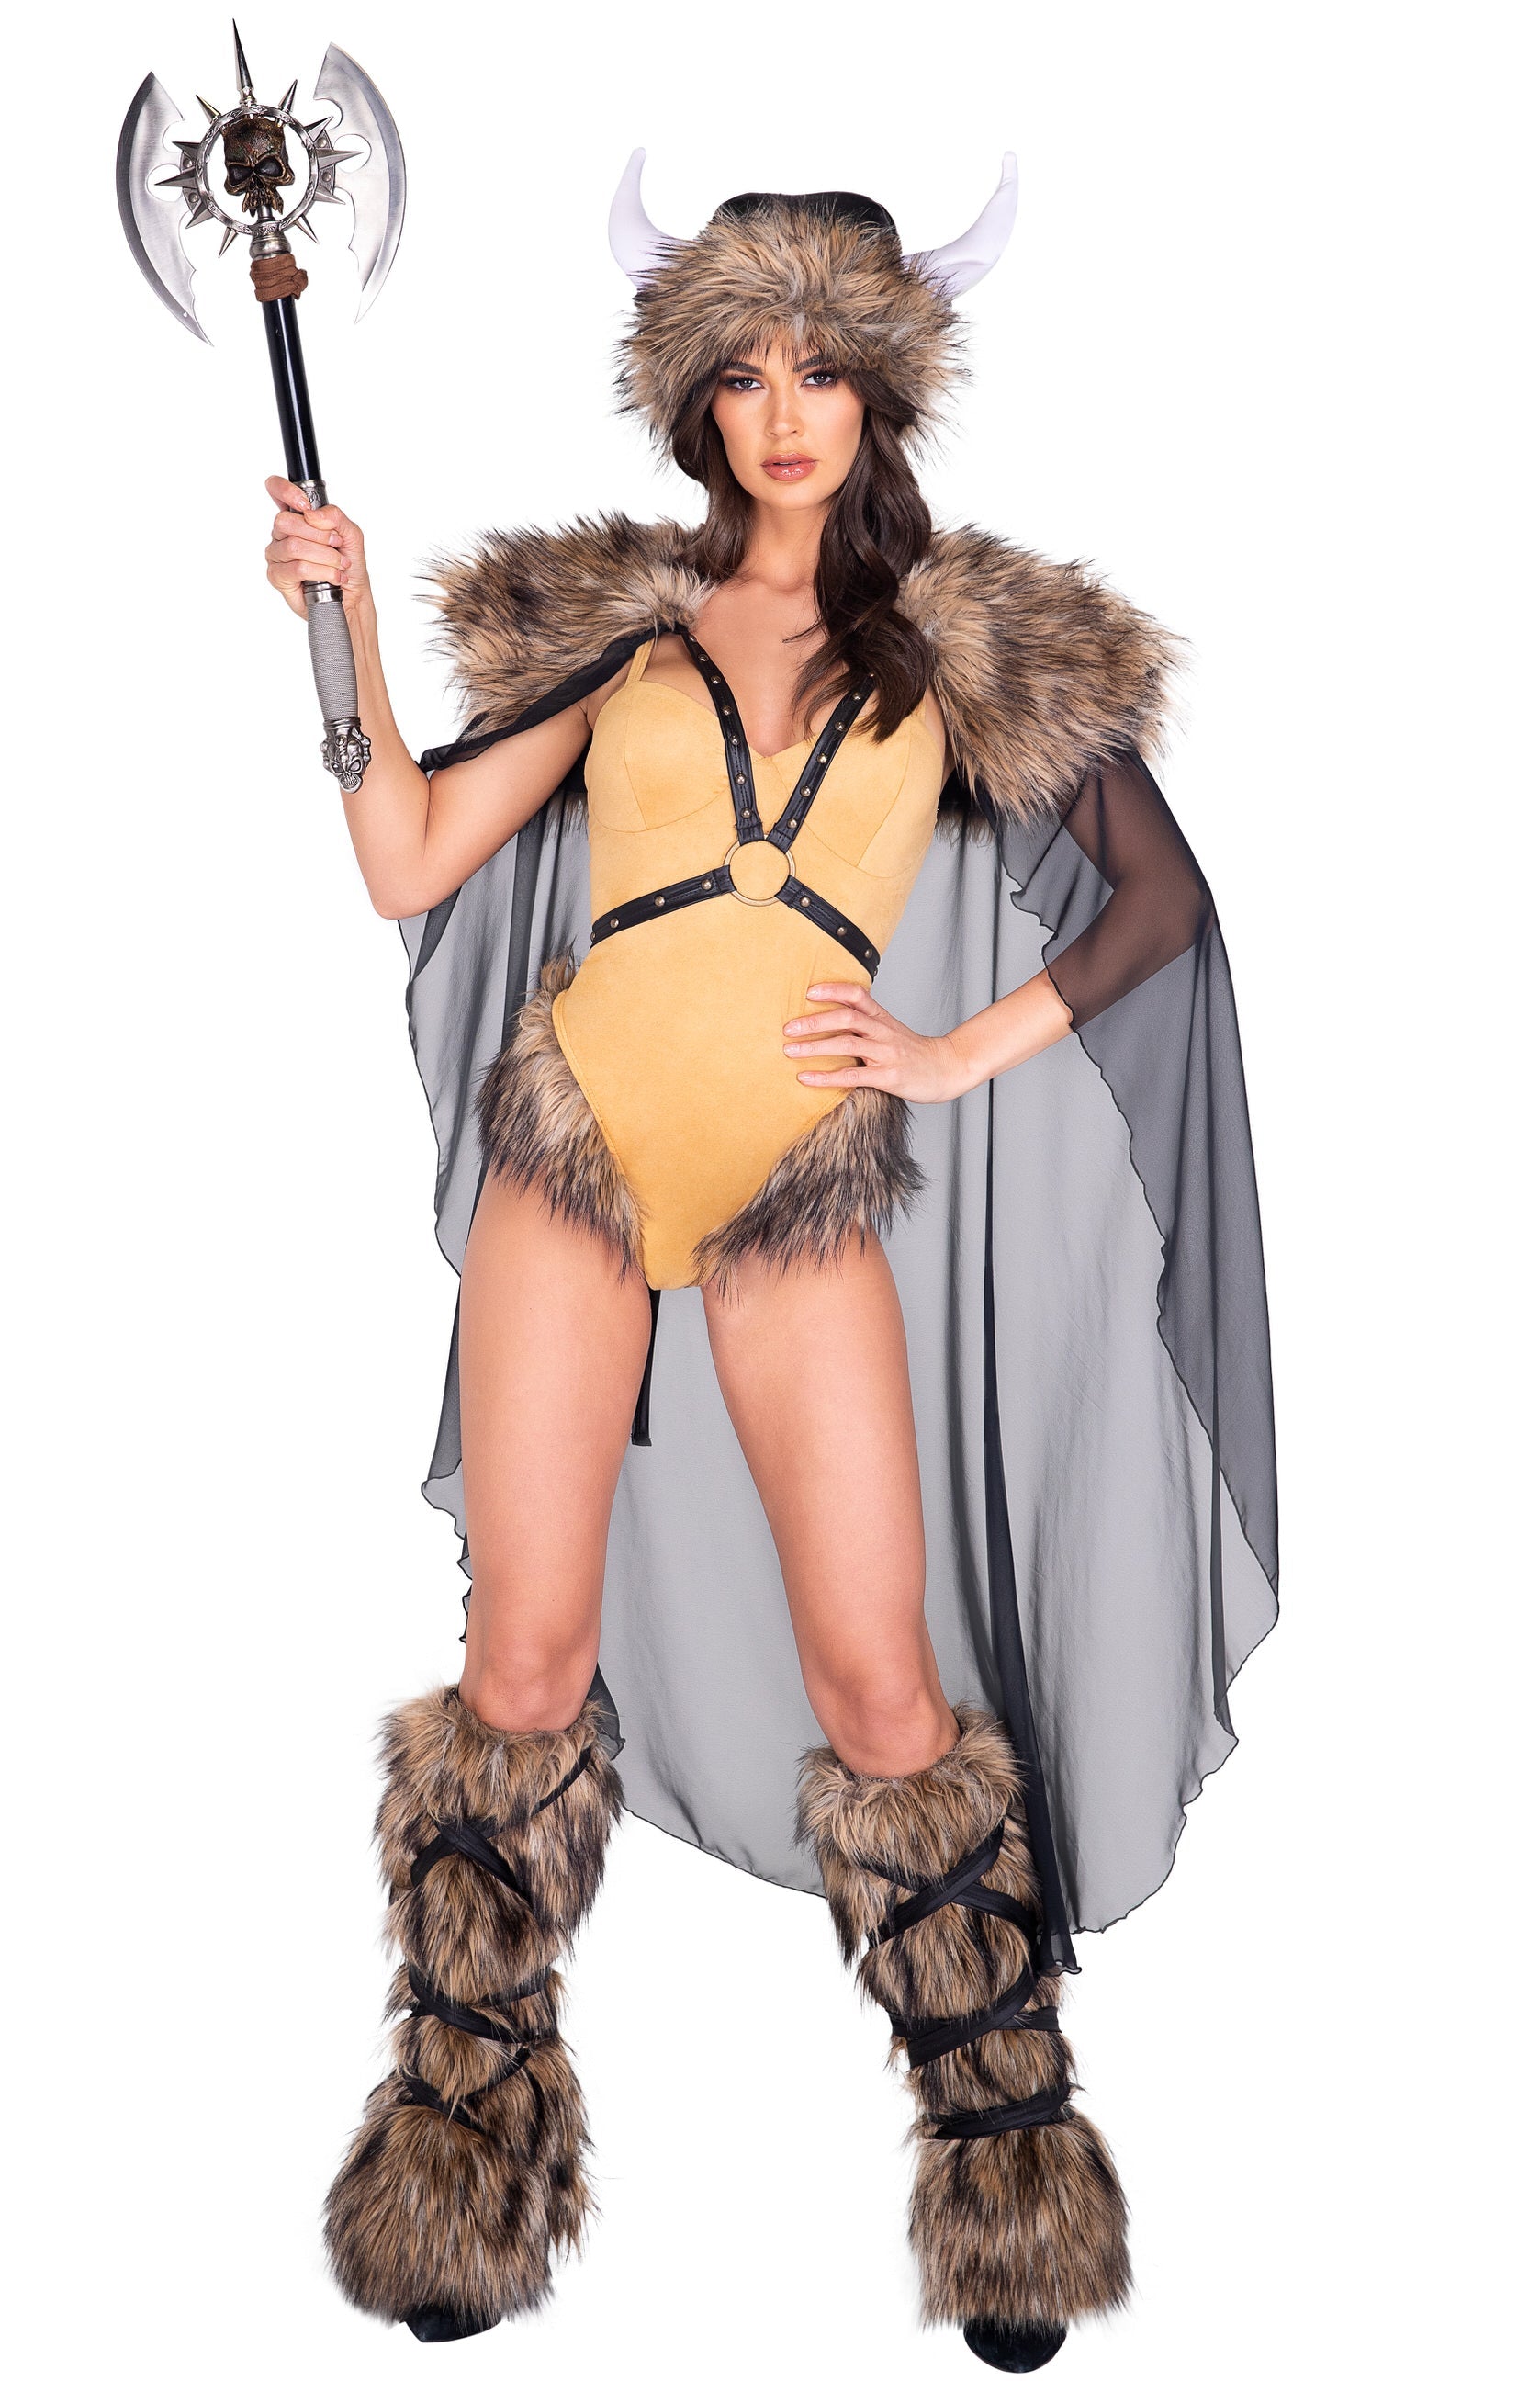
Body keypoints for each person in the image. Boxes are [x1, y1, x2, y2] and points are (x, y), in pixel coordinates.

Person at [261, 160, 1277, 2370]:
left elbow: (1157, 904)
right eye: (742, 371)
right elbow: (407, 856)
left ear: (881, 388)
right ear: (695, 400)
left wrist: (946, 1054)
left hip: (797, 1185)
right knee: (519, 1672)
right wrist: (333, 631)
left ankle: (1007, 2179)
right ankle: (460, 2161)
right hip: (574, 1153)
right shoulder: (612, 627)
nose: (784, 410)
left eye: (822, 367)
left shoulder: (972, 645)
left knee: (880, 1697)